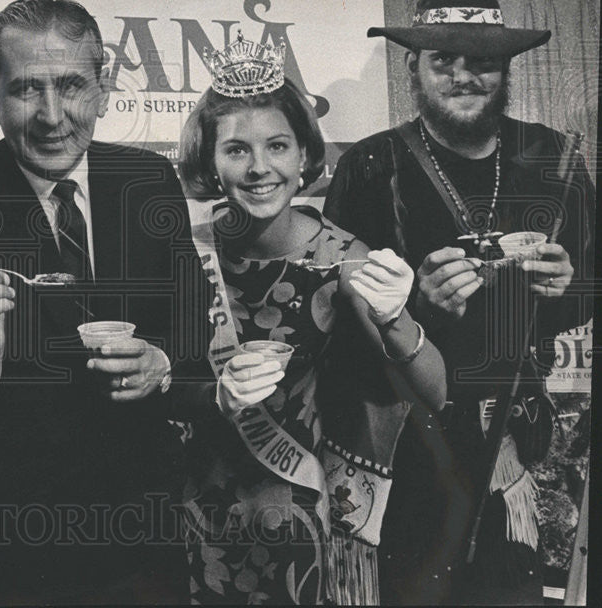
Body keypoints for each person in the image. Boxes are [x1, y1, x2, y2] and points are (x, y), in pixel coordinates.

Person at [0, 0, 209, 605]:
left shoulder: (148, 181)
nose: (53, 116)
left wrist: (161, 360)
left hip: (141, 543)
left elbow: (190, 316)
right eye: (27, 89)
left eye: (72, 87)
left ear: (105, 89)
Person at [324, 0, 596, 605]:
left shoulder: (553, 158)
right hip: (405, 445)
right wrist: (416, 308)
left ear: (507, 71)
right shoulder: (369, 165)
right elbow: (334, 318)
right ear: (414, 68)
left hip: (512, 437)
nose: (463, 76)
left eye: (483, 62)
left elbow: (594, 287)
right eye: (442, 60)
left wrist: (570, 286)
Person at [175, 33, 447, 605]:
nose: (258, 169)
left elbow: (437, 391)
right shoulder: (183, 247)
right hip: (191, 504)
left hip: (296, 505)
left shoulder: (341, 257)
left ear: (304, 156)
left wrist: (396, 316)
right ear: (211, 161)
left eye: (277, 146)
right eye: (236, 150)